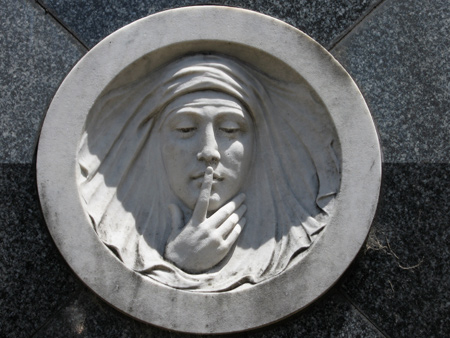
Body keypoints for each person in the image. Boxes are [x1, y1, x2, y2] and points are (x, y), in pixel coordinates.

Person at [78, 54, 340, 291]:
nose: (210, 151)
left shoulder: (291, 241)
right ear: (153, 141)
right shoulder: (118, 237)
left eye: (229, 129)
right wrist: (180, 262)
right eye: (184, 129)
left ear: (258, 142)